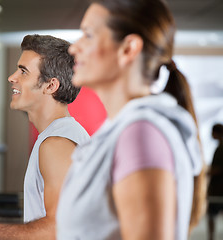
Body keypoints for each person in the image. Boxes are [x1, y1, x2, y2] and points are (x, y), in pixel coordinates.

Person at [56, 1, 206, 240]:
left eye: (88, 35)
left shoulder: (140, 134)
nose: (74, 48)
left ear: (128, 49)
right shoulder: (123, 130)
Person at [0, 34, 90, 239]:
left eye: (23, 71)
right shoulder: (59, 136)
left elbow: (60, 228)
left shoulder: (57, 144)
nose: (12, 77)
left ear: (51, 86)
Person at [207, 123, 223, 240]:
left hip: (219, 190)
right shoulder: (219, 147)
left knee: (212, 216)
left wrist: (209, 171)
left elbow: (220, 169)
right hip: (217, 189)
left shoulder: (221, 148)